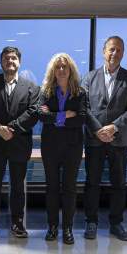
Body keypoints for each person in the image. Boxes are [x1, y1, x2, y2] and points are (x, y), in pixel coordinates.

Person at [82, 36, 127, 241]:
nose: (114, 53)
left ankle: (116, 224)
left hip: (120, 139)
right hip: (94, 139)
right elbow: (84, 108)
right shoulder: (89, 77)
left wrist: (114, 127)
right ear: (103, 51)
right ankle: (91, 222)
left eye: (118, 50)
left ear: (123, 53)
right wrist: (98, 130)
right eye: (111, 49)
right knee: (92, 183)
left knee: (119, 183)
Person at [0, 46, 39, 239]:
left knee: (17, 186)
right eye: (6, 58)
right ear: (1, 62)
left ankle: (18, 223)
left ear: (19, 62)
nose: (10, 61)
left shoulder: (32, 87)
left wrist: (12, 128)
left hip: (19, 143)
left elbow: (33, 113)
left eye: (14, 58)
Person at [37, 53, 86, 244]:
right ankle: (52, 227)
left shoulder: (80, 92)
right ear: (53, 71)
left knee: (69, 188)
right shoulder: (46, 92)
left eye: (65, 67)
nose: (62, 70)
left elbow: (81, 119)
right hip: (50, 147)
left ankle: (67, 228)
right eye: (58, 67)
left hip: (73, 147)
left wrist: (55, 117)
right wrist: (66, 115)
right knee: (51, 188)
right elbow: (41, 116)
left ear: (70, 70)